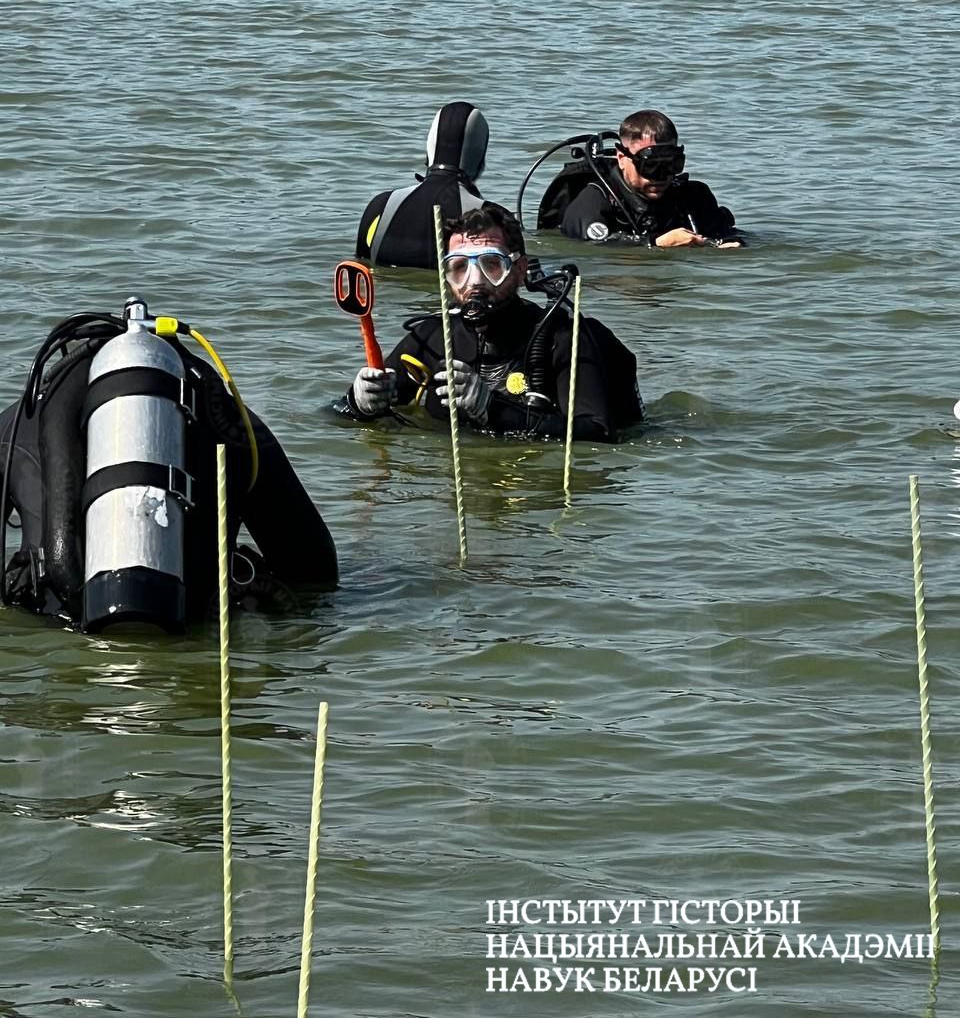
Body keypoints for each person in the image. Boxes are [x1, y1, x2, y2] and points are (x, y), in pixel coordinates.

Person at [0, 299, 337, 633]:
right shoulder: (236, 425)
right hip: (191, 622)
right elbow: (315, 572)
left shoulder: (21, 423)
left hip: (61, 628)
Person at [340, 203, 643, 442]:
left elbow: (598, 433)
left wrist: (492, 410)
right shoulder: (430, 338)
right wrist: (359, 402)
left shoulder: (564, 337)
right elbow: (336, 419)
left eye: (491, 265)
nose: (475, 281)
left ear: (520, 269)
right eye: (459, 267)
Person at [540, 110, 743, 248]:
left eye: (670, 164)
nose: (661, 176)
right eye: (650, 165)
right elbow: (594, 249)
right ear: (622, 158)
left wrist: (729, 244)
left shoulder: (694, 197)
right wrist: (655, 243)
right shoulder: (593, 201)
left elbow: (723, 234)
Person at [355, 100, 490, 269]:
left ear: (428, 154)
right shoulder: (490, 217)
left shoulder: (380, 206)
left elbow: (359, 267)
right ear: (480, 159)